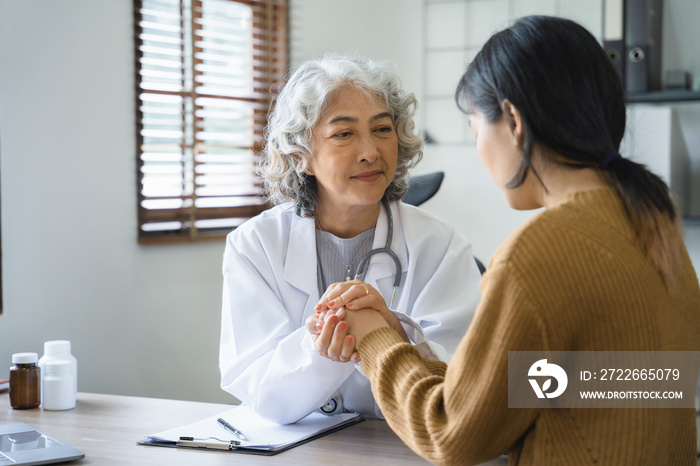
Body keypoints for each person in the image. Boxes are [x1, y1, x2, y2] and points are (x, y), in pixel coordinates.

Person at [317, 16, 700, 465]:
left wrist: (376, 341)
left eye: (476, 128)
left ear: (513, 121)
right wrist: (401, 339)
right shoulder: (652, 222)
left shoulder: (541, 252)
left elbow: (451, 433)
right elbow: (622, 381)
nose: (479, 147)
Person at [218, 55, 481, 425]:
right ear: (301, 155)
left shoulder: (440, 246)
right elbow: (259, 389)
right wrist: (320, 345)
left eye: (382, 129)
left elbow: (467, 379)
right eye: (344, 134)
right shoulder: (255, 245)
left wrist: (394, 333)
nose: (371, 152)